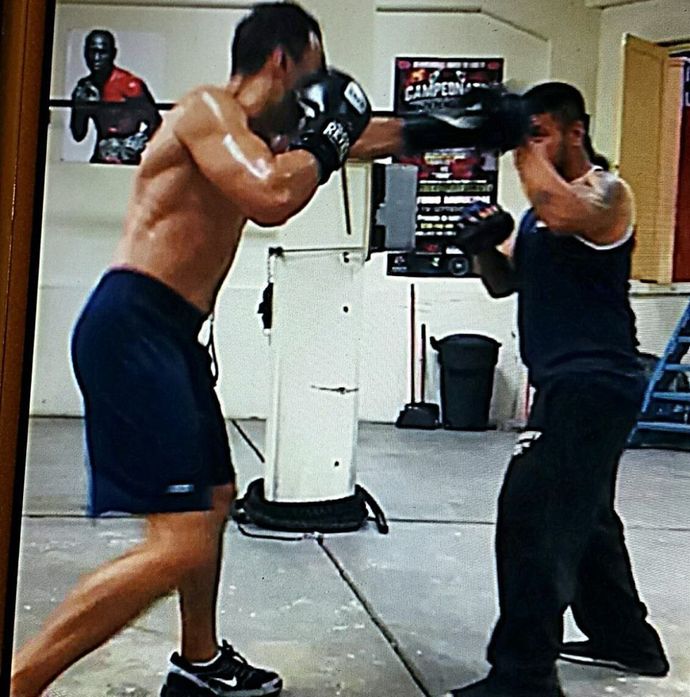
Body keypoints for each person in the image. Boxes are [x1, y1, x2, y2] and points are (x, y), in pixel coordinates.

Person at [11, 4, 372, 697]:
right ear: (281, 61)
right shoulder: (209, 110)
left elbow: (355, 137)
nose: (317, 87)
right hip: (134, 327)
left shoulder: (259, 135)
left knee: (213, 501)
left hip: (171, 334)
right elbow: (272, 197)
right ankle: (20, 679)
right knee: (178, 543)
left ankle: (199, 663)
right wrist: (331, 137)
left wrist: (456, 124)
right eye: (314, 72)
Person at [442, 82, 669, 697]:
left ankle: (524, 675)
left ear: (574, 132)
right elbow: (501, 282)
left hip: (595, 382)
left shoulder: (605, 193)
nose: (532, 145)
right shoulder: (537, 216)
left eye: (540, 133)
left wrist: (514, 140)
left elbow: (562, 209)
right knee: (586, 516)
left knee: (534, 513)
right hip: (568, 384)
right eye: (528, 133)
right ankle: (629, 641)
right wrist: (484, 247)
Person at [70, 29, 162, 165]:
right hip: (100, 158)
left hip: (128, 160)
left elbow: (156, 123)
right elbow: (78, 135)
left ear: (113, 54)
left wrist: (138, 141)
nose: (96, 59)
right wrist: (80, 108)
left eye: (102, 53)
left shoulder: (130, 85)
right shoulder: (85, 88)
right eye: (92, 52)